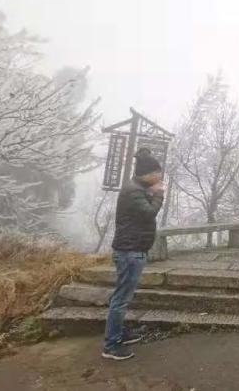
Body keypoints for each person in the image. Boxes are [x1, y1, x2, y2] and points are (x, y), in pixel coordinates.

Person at [102, 149, 164, 361]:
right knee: (120, 299)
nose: (160, 177)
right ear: (148, 174)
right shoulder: (133, 191)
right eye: (157, 173)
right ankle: (111, 345)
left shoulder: (137, 187)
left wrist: (152, 192)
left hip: (132, 249)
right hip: (130, 251)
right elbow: (149, 213)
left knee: (122, 296)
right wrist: (159, 194)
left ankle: (120, 333)